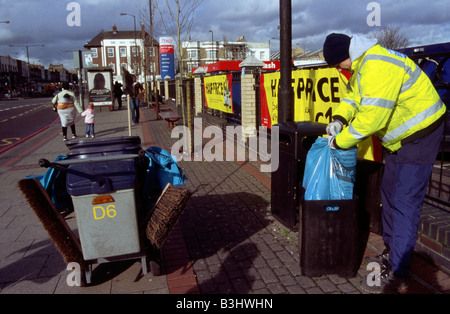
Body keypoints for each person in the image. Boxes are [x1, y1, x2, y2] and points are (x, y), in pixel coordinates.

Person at [322, 33, 446, 293]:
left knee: (404, 200)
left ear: (344, 57)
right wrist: (339, 119)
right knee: (389, 192)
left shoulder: (377, 66)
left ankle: (398, 269)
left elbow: (371, 120)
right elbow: (352, 99)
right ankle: (392, 251)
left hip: (421, 133)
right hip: (401, 139)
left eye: (335, 64)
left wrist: (339, 141)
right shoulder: (361, 65)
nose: (336, 69)